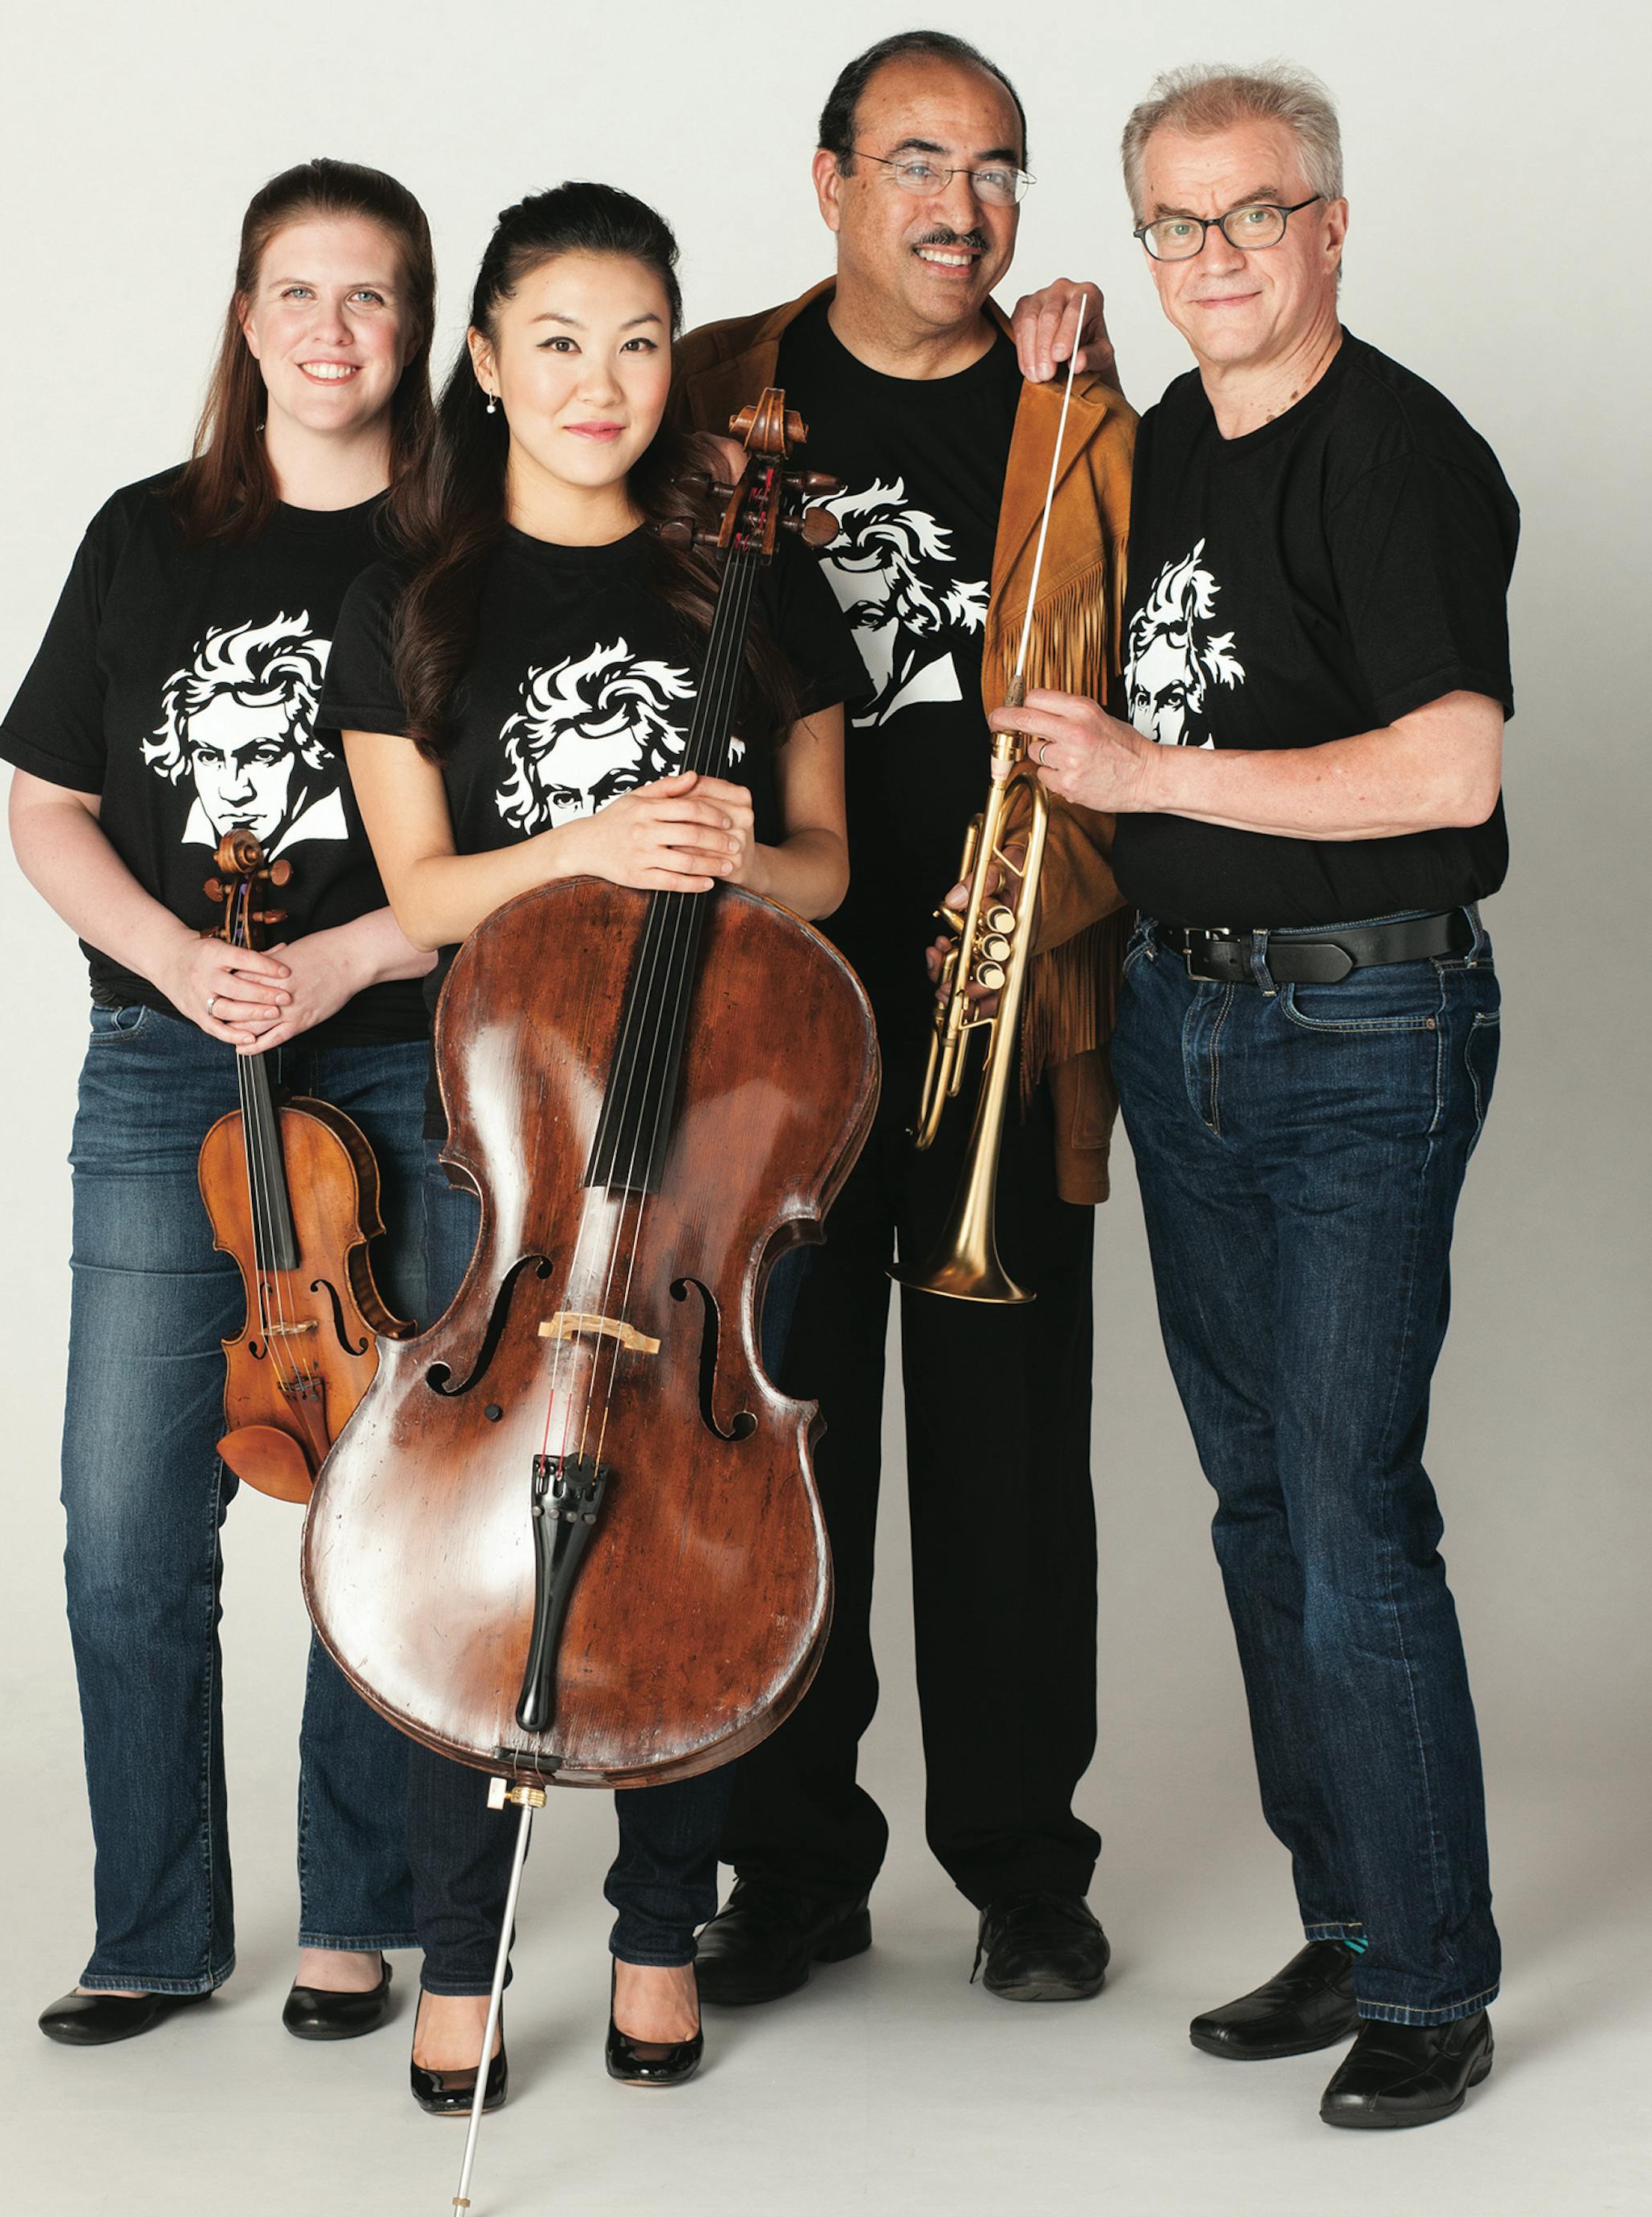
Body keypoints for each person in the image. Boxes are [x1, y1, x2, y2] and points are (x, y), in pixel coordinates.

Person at [323, 180, 867, 2111]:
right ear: (484, 359)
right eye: (557, 340)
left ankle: (655, 1926)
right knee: (461, 1542)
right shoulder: (412, 603)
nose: (601, 380)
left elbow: (828, 865)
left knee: (683, 1539)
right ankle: (458, 1946)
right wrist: (592, 839)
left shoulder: (750, 584)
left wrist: (744, 854)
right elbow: (423, 890)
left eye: (639, 341)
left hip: (709, 1135)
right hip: (520, 1131)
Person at [1008, 64, 1515, 2129]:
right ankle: (1357, 1916)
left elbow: (1452, 769)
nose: (1215, 253)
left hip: (1363, 1027)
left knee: (1349, 1503)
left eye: (1255, 213)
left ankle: (1436, 1981)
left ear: (1332, 226)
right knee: (1256, 1501)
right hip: (1187, 1022)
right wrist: (1063, 375)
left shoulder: (1400, 452)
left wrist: (1149, 775)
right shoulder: (1168, 446)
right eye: (1176, 222)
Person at [673, 28, 1136, 2007]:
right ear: (832, 180)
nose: (966, 206)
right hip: (764, 1023)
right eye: (923, 162)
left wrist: (1052, 910)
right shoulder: (708, 388)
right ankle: (794, 1866)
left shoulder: (1074, 410)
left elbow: (1143, 706)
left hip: (999, 1009)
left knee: (1009, 1453)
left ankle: (1024, 1865)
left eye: (1001, 167)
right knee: (784, 1437)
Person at [0, 159, 439, 2048]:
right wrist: (182, 959)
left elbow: (521, 842)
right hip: (166, 1060)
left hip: (397, 1051)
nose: (333, 330)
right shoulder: (145, 534)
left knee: (379, 1494)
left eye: (372, 294)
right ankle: (155, 1929)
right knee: (125, 1516)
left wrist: (345, 960)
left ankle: (358, 1914)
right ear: (247, 317)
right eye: (298, 292)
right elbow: (48, 808)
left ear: (417, 326)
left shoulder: (465, 548)